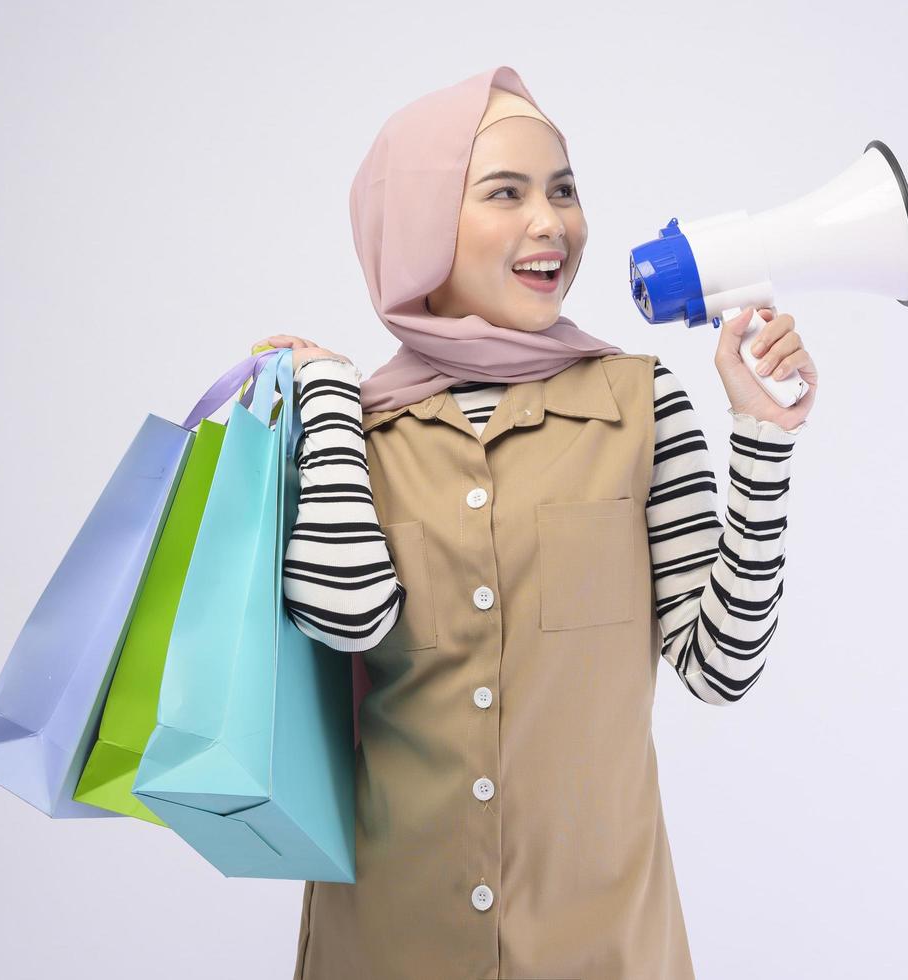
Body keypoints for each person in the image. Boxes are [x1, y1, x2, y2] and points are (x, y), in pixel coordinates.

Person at [258, 66, 817, 980]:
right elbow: (347, 615)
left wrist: (760, 437)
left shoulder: (640, 405)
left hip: (600, 947)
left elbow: (718, 668)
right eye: (504, 193)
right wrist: (326, 397)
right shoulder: (345, 426)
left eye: (563, 190)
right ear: (423, 223)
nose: (550, 222)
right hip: (388, 946)